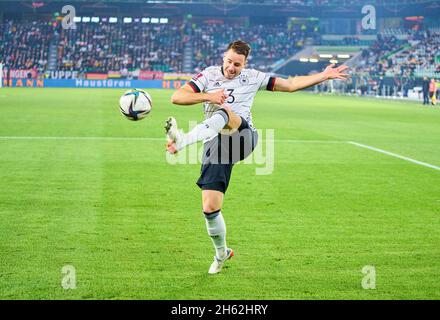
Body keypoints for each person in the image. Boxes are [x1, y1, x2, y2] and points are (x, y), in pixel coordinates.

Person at [165, 40, 349, 274]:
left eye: (238, 64)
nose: (233, 68)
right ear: (224, 57)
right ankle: (221, 253)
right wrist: (208, 97)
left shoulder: (253, 77)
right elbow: (177, 97)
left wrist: (322, 76)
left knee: (226, 113)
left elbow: (290, 85)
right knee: (210, 207)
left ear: (245, 64)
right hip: (216, 141)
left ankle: (184, 140)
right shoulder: (208, 76)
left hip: (243, 137)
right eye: (230, 62)